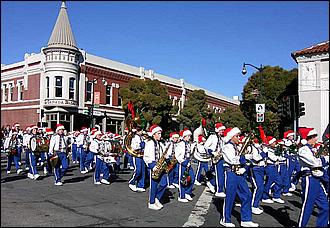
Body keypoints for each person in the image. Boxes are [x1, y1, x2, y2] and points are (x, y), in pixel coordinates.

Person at [220, 127, 259, 227]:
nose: (239, 138)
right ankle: (225, 219)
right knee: (230, 196)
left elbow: (241, 159)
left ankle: (246, 219)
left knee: (247, 194)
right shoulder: (227, 147)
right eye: (237, 136)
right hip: (230, 173)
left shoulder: (237, 146)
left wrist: (245, 167)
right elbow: (233, 160)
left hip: (238, 173)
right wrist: (244, 158)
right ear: (231, 137)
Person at [297, 128, 328, 227]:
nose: (316, 139)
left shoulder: (312, 149)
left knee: (325, 207)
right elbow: (315, 163)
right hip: (309, 179)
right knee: (308, 207)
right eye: (314, 137)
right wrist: (324, 159)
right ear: (308, 138)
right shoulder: (303, 150)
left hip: (317, 179)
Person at [143, 125, 168, 210]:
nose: (160, 135)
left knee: (164, 183)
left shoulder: (161, 143)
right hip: (154, 166)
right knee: (153, 185)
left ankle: (157, 198)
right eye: (158, 133)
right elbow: (146, 156)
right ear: (154, 134)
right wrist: (152, 166)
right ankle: (151, 202)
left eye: (160, 133)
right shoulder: (150, 143)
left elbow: (163, 154)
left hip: (161, 166)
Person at [204, 122, 226, 198]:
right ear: (217, 130)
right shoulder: (213, 137)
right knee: (219, 174)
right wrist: (212, 152)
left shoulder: (222, 138)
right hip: (216, 156)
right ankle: (218, 190)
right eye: (221, 130)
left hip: (222, 157)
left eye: (223, 130)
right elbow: (206, 146)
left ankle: (211, 183)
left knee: (220, 174)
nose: (222, 132)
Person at [262, 136, 285, 205]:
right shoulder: (268, 150)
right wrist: (278, 154)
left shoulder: (274, 149)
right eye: (274, 142)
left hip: (275, 167)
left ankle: (276, 196)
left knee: (279, 181)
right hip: (270, 167)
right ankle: (264, 197)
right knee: (269, 182)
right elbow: (274, 158)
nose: (275, 143)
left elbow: (280, 158)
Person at [175, 128, 195, 203]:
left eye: (190, 136)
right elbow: (177, 155)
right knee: (182, 180)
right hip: (182, 163)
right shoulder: (180, 144)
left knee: (192, 178)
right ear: (184, 136)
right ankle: (181, 196)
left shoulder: (188, 144)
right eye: (188, 136)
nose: (189, 137)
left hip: (188, 163)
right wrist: (183, 162)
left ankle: (187, 192)